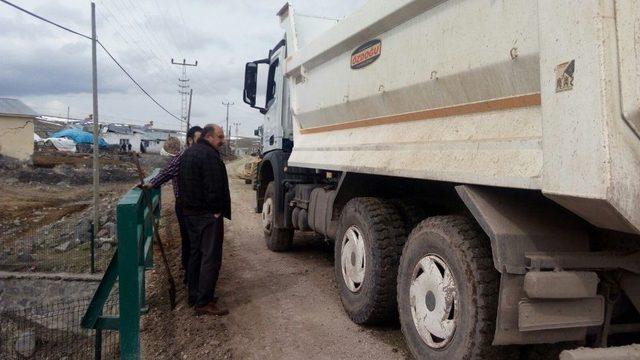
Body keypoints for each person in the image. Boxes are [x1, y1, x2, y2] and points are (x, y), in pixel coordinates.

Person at [179, 124, 231, 316]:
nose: (223, 140)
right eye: (220, 136)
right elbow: (214, 187)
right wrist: (216, 211)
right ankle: (204, 301)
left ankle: (194, 295)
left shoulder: (189, 153)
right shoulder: (209, 156)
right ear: (209, 137)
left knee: (195, 256)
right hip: (207, 216)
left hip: (190, 214)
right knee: (210, 258)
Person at [142, 126, 203, 283]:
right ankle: (189, 273)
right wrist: (151, 184)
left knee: (196, 240)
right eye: (199, 139)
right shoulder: (183, 156)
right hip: (184, 206)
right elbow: (167, 172)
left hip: (197, 207)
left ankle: (193, 272)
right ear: (190, 140)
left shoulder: (200, 156)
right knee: (189, 239)